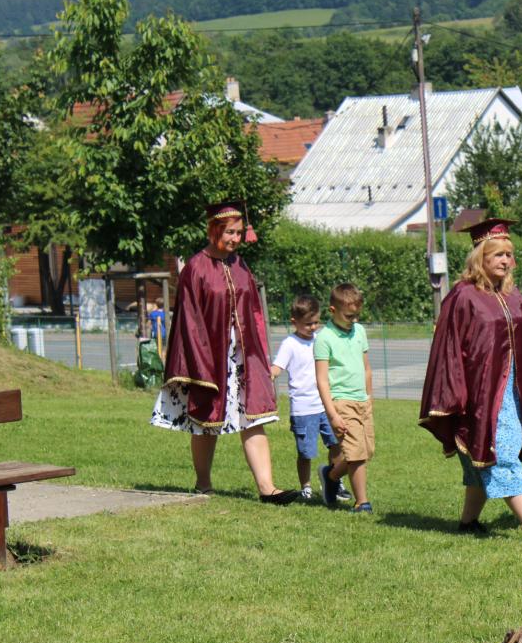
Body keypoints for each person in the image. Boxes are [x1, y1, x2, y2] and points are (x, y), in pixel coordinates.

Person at [419, 217, 522, 543]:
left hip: (511, 391)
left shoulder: (512, 295)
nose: (506, 261)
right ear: (481, 258)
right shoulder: (463, 296)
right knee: (499, 452)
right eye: (498, 255)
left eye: (509, 254)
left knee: (482, 459)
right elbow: (449, 348)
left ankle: (468, 523)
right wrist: (456, 392)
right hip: (480, 393)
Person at [150, 201, 299, 504]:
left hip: (243, 356)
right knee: (207, 422)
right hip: (209, 357)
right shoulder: (196, 268)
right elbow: (189, 320)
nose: (235, 238)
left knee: (253, 418)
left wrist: (257, 353)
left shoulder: (240, 265)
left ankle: (267, 488)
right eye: (230, 232)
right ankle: (203, 484)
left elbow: (253, 311)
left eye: (239, 233)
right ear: (214, 230)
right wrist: (200, 362)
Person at [270, 294, 348, 502]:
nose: (313, 327)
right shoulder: (290, 344)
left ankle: (334, 480)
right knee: (306, 453)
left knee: (336, 444)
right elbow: (277, 367)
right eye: (308, 324)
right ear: (294, 322)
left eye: (316, 322)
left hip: (326, 405)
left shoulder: (320, 340)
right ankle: (305, 487)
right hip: (303, 409)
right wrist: (269, 375)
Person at [314, 283, 375, 513]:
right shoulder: (324, 338)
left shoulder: (359, 331)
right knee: (356, 454)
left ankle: (330, 476)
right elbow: (322, 380)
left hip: (362, 401)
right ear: (332, 310)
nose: (354, 320)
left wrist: (369, 397)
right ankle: (362, 503)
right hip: (341, 402)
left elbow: (366, 368)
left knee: (366, 452)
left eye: (357, 315)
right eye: (349, 316)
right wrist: (332, 414)